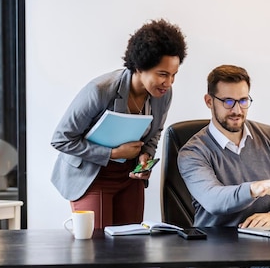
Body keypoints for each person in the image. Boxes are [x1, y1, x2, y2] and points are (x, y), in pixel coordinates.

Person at [51, 19, 187, 229]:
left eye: (173, 75)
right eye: (162, 74)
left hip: (129, 178)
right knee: (96, 250)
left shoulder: (163, 95)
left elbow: (155, 132)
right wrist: (112, 154)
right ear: (140, 67)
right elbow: (61, 140)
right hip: (91, 176)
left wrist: (145, 157)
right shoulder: (100, 90)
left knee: (131, 249)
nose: (168, 83)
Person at [178, 64, 270, 228]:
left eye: (243, 100)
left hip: (263, 242)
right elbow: (214, 200)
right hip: (214, 244)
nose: (237, 110)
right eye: (228, 101)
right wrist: (254, 189)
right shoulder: (192, 152)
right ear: (209, 101)